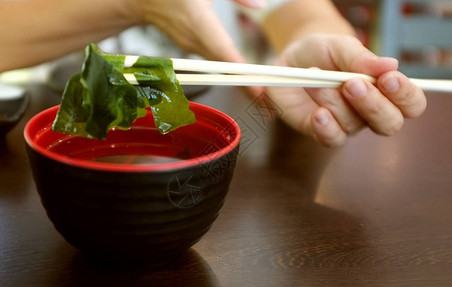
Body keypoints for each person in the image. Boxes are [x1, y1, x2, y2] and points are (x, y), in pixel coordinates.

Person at [0, 0, 426, 147]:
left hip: (229, 169)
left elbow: (303, 15)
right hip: (51, 144)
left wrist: (326, 62)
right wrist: (134, 5)